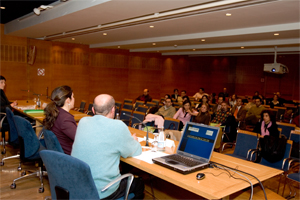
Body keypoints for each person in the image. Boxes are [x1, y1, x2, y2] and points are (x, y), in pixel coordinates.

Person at [71, 94, 144, 199]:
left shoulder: (83, 121)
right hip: (102, 191)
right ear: (113, 110)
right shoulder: (118, 126)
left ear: (93, 109)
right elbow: (135, 151)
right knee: (139, 184)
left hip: (79, 185)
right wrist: (134, 141)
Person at [43, 85, 77, 155]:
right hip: (70, 157)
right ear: (68, 100)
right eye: (73, 96)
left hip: (59, 154)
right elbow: (80, 139)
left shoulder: (56, 112)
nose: (74, 98)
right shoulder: (65, 119)